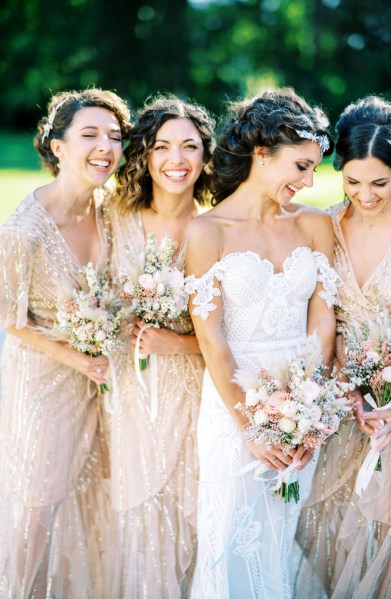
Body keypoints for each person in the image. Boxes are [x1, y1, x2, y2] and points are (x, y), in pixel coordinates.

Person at [185, 88, 338, 599]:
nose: (309, 181)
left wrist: (306, 404)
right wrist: (251, 426)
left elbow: (323, 317)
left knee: (279, 532)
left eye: (314, 170)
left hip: (302, 403)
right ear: (261, 153)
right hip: (236, 409)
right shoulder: (208, 232)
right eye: (300, 165)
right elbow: (212, 341)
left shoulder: (315, 225)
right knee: (232, 532)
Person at [296, 96, 391, 599]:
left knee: (388, 532)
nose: (365, 194)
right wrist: (337, 386)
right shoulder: (324, 225)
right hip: (340, 401)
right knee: (321, 522)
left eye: (380, 183)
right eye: (353, 181)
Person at [0, 89, 131, 598]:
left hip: (106, 384)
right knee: (37, 504)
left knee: (99, 496)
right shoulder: (25, 230)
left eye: (116, 137)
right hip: (46, 384)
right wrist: (80, 358)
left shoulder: (113, 210)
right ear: (57, 147)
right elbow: (9, 319)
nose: (106, 148)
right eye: (90, 135)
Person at [104, 95, 215, 598]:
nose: (177, 159)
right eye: (163, 146)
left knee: (193, 508)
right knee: (139, 507)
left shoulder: (216, 228)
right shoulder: (113, 218)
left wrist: (181, 343)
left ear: (206, 156)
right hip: (127, 392)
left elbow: (236, 333)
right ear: (145, 155)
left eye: (190, 146)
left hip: (196, 391)